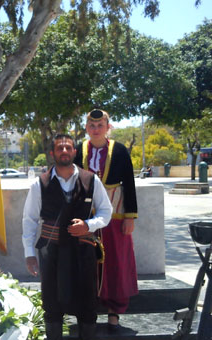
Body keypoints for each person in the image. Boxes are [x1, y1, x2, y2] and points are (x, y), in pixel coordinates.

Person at [22, 134, 112, 340]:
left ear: (74, 152)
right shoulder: (39, 184)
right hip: (51, 252)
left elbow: (106, 212)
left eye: (68, 148)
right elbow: (29, 221)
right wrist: (29, 253)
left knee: (88, 305)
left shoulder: (91, 180)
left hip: (83, 251)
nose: (64, 151)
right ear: (52, 153)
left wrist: (88, 225)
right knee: (52, 305)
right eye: (60, 148)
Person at [74, 109, 139, 332]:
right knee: (85, 261)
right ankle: (87, 310)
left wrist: (130, 216)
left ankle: (114, 313)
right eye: (92, 125)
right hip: (85, 213)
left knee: (115, 261)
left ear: (107, 127)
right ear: (86, 128)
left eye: (100, 125)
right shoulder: (77, 149)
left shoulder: (119, 150)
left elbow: (129, 182)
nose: (96, 129)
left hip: (115, 211)